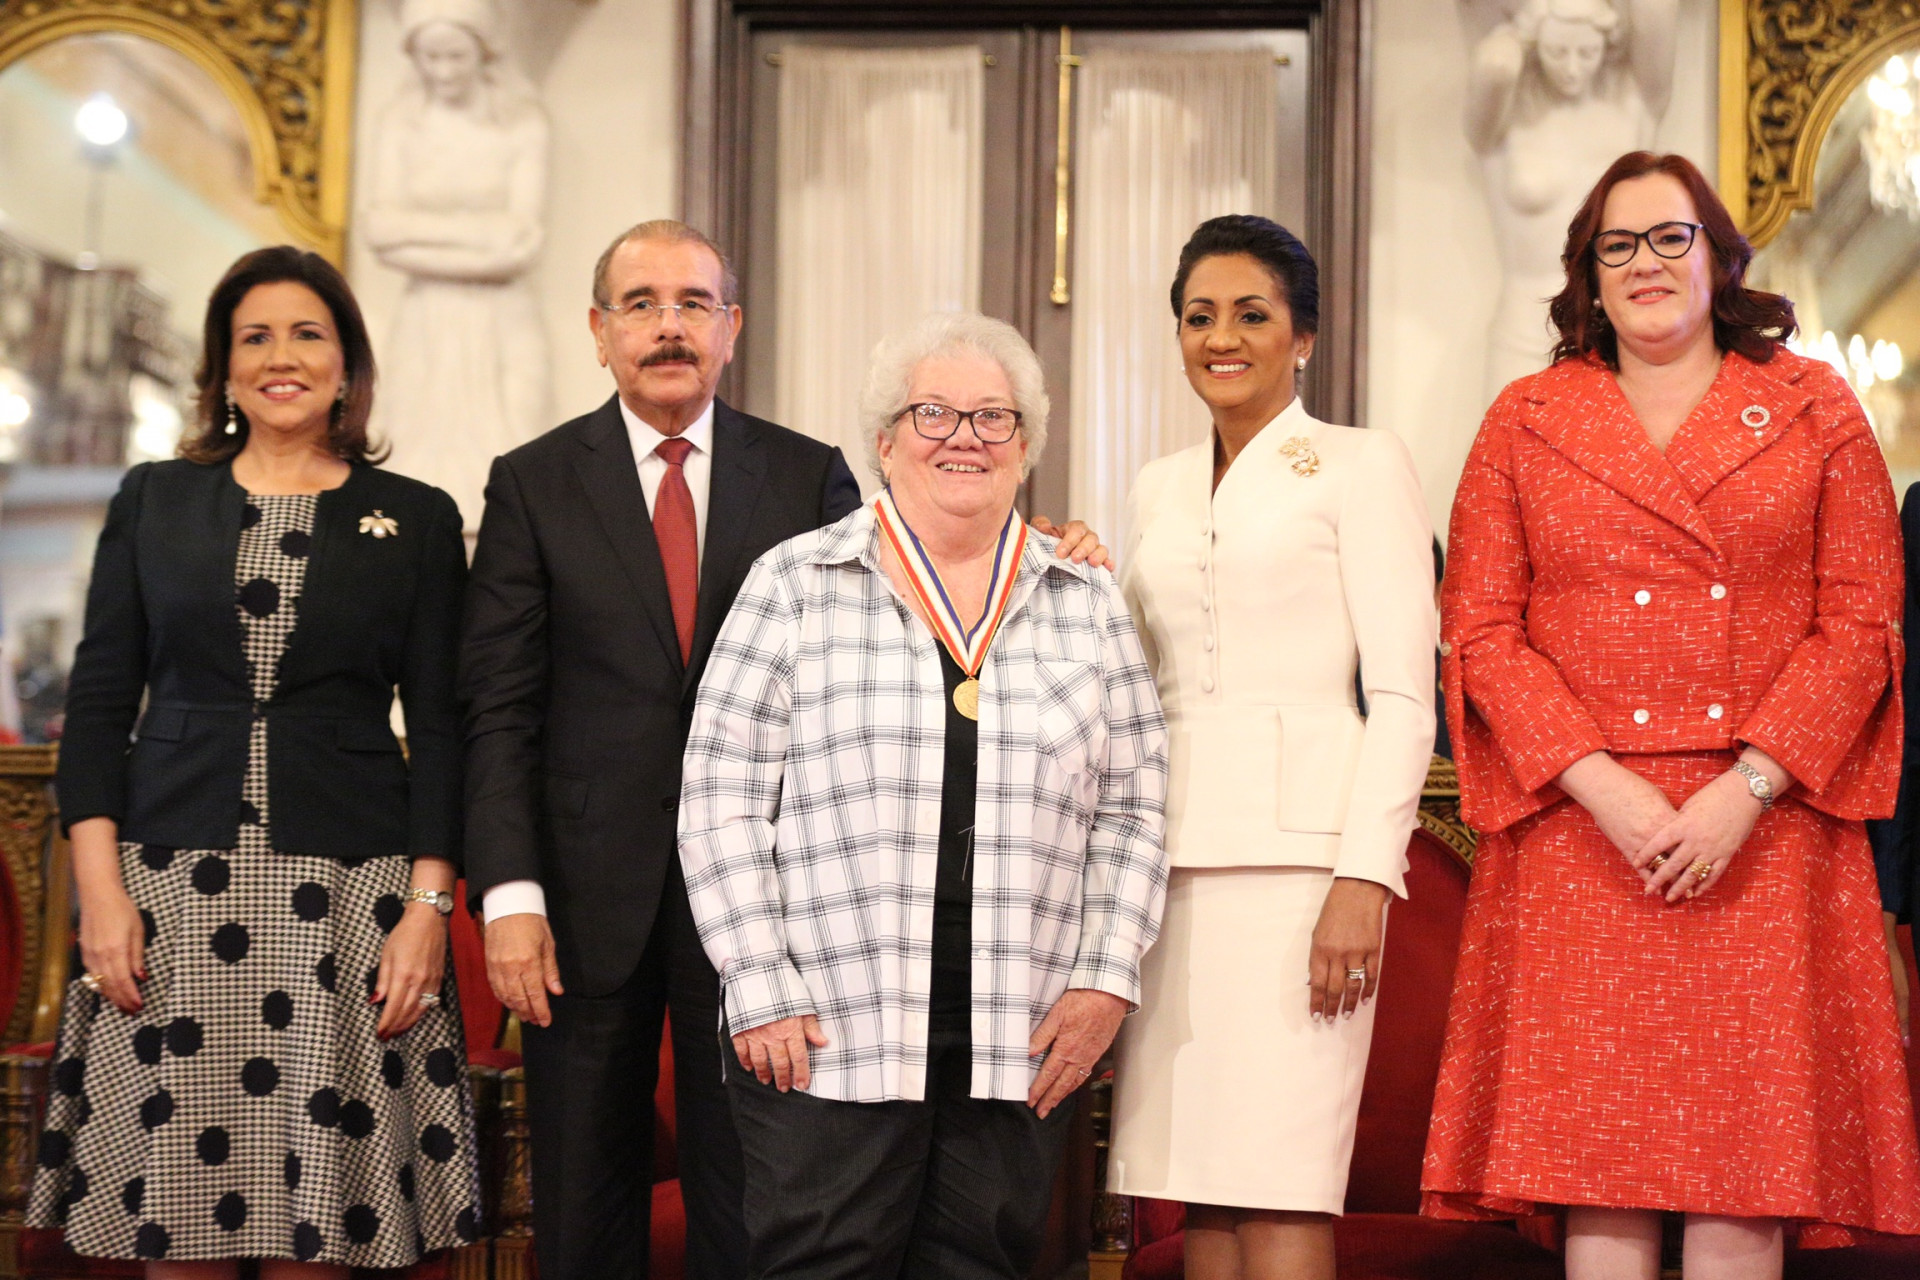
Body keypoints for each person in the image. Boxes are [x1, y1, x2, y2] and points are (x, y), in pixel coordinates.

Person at [459, 222, 1111, 1280]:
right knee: (582, 1202)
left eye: (694, 303)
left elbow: (914, 596)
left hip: (770, 905)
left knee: (755, 1202)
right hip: (585, 896)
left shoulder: (807, 473)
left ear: (732, 328)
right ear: (597, 329)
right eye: (641, 303)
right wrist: (511, 895)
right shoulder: (533, 482)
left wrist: (1041, 544)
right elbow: (498, 704)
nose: (669, 326)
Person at [1424, 151, 1920, 1276]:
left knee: (1743, 1177)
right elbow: (1481, 628)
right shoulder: (1525, 418)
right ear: (1588, 277)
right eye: (1618, 244)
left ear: (1719, 258)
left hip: (1767, 831)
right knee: (1601, 1173)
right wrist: (1606, 786)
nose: (1644, 262)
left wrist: (1745, 789)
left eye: (1669, 237)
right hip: (1583, 832)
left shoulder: (1815, 406)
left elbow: (1862, 625)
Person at [678, 312, 1168, 1278]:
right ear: (885, 439)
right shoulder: (794, 583)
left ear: (1025, 444)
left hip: (1018, 1027)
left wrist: (1104, 980)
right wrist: (758, 983)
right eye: (934, 413)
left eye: (994, 417)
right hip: (827, 1025)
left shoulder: (1085, 601)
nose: (964, 438)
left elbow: (1133, 808)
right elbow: (720, 797)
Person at [27, 246, 477, 1274]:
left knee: (321, 1227)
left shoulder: (416, 516)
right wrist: (99, 894)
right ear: (223, 369)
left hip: (350, 901)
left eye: (308, 334)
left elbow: (444, 728)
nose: (283, 357)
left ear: (346, 365)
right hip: (168, 894)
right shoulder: (153, 498)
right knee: (176, 1220)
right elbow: (97, 707)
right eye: (256, 337)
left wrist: (428, 909)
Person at [1105, 215, 1437, 1280]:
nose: (1222, 337)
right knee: (1199, 1184)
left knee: (1285, 1183)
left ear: (1303, 337)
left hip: (1305, 870)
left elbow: (1405, 697)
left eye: (1252, 314)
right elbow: (1132, 669)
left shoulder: (1359, 462)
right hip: (1169, 869)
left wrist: (1363, 878)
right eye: (1199, 316)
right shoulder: (1155, 484)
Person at [362, 0, 550, 530]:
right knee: (410, 456)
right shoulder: (400, 123)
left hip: (501, 317)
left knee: (512, 448)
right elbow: (379, 234)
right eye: (430, 57)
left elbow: (522, 244)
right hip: (425, 317)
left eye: (455, 56)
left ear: (483, 51)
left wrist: (412, 230)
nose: (442, 71)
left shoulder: (522, 123)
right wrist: (486, 236)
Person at [1462, 0, 1676, 400]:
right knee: (1510, 438)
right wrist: (1522, 28)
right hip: (1525, 326)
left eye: (1587, 52)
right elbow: (1495, 65)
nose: (1573, 68)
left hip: (1615, 331)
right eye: (1557, 52)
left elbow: (1656, 8)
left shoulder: (1634, 107)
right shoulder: (1507, 121)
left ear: (1607, 46)